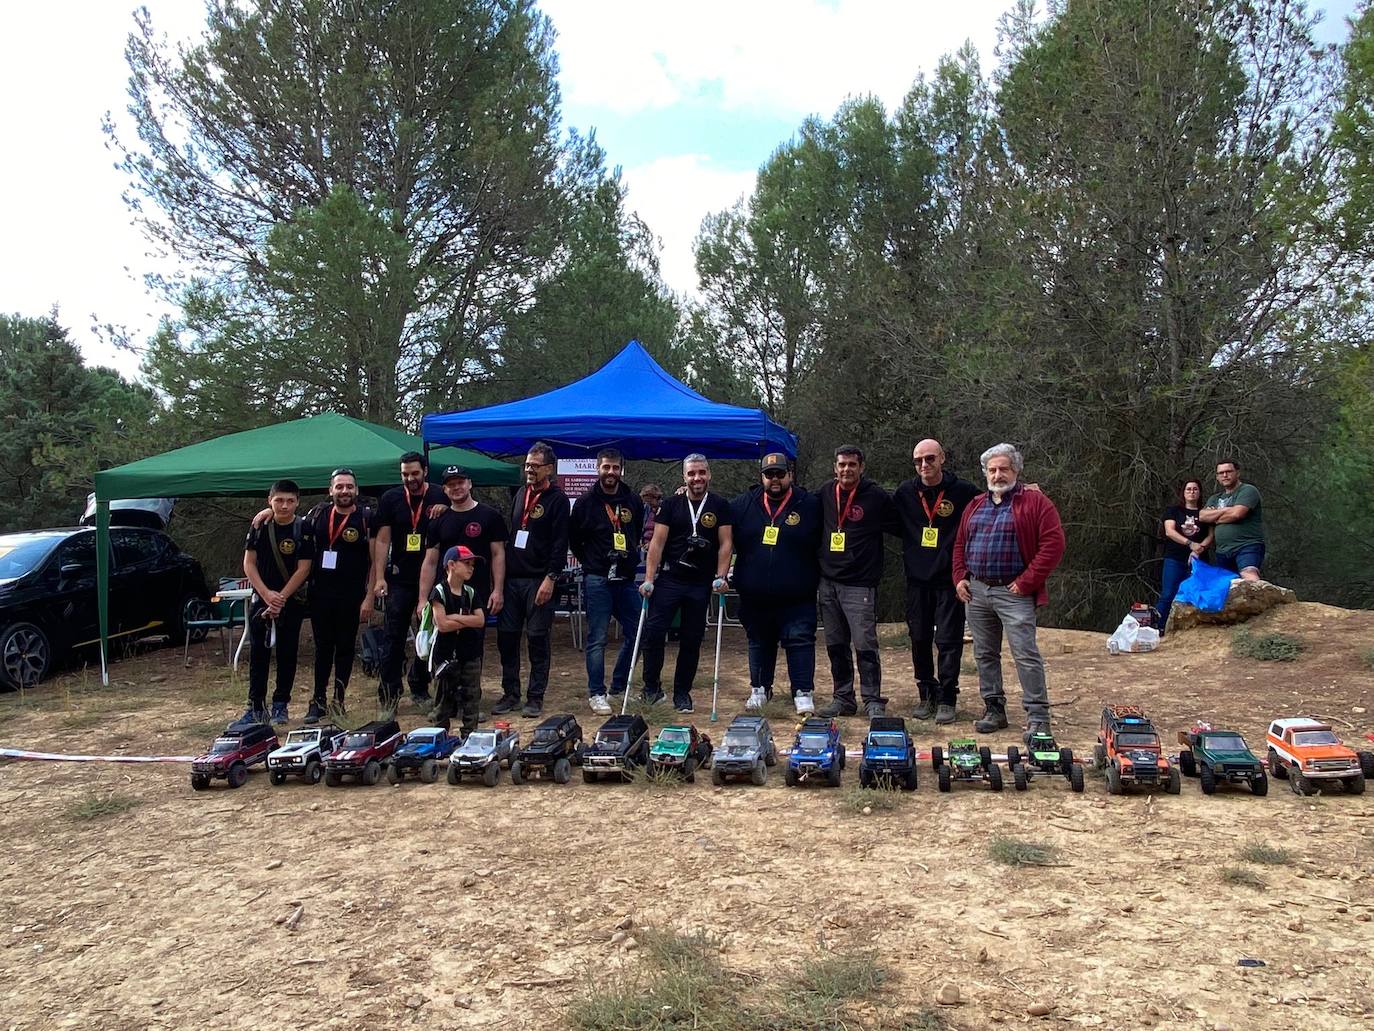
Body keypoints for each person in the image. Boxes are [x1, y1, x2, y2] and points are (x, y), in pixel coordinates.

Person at [952, 444, 1065, 738]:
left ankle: (1038, 715)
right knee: (984, 654)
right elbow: (960, 544)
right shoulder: (975, 504)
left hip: (1013, 593)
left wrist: (1027, 581)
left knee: (1025, 654)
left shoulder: (1037, 503)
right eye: (992, 470)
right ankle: (994, 709)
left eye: (1004, 469)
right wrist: (959, 577)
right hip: (976, 591)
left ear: (1016, 470)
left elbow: (1053, 546)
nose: (998, 475)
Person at [891, 439, 979, 724]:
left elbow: (993, 501)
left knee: (948, 640)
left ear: (942, 458)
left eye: (930, 459)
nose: (924, 466)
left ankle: (947, 698)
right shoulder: (905, 492)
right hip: (917, 580)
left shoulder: (963, 492)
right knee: (919, 639)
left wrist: (1023, 491)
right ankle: (926, 694)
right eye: (918, 461)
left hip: (949, 580)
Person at [640, 453, 734, 713]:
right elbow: (657, 544)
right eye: (692, 473)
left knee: (691, 640)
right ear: (684, 476)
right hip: (670, 579)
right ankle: (651, 688)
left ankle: (682, 693)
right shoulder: (671, 505)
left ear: (709, 474)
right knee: (654, 633)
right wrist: (649, 579)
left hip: (700, 583)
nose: (697, 478)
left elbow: (726, 543)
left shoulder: (719, 505)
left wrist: (721, 576)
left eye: (701, 472)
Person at [729, 453, 822, 714]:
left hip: (797, 594)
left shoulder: (810, 505)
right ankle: (759, 688)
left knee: (800, 639)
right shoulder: (742, 505)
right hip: (755, 594)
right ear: (762, 477)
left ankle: (803, 691)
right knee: (759, 641)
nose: (775, 480)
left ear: (790, 475)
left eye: (780, 474)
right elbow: (720, 530)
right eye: (769, 475)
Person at [417, 465, 508, 706]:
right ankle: (445, 702)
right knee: (444, 647)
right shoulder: (438, 520)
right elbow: (430, 561)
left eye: (460, 482)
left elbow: (498, 554)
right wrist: (422, 598)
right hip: (445, 596)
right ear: (444, 490)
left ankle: (471, 702)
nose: (456, 488)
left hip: (477, 595)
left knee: (472, 649)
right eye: (450, 484)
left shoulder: (489, 516)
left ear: (470, 484)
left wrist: (498, 589)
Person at [817, 445, 893, 718]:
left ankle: (872, 698)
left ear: (861, 467)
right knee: (835, 645)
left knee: (865, 645)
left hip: (860, 583)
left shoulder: (876, 496)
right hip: (828, 583)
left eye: (852, 464)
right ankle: (843, 697)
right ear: (834, 468)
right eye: (842, 465)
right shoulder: (826, 493)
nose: (846, 469)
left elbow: (906, 518)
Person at [494, 442, 569, 718]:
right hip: (513, 579)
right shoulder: (521, 493)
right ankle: (510, 693)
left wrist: (550, 579)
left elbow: (561, 544)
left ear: (549, 469)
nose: (529, 470)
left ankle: (535, 697)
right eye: (527, 465)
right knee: (507, 638)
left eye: (535, 466)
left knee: (537, 638)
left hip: (539, 579)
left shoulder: (557, 500)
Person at [370, 451, 450, 710]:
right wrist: (379, 576)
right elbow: (382, 540)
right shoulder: (390, 498)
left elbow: (461, 510)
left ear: (425, 471)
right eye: (405, 474)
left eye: (415, 473)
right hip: (400, 579)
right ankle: (389, 693)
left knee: (428, 634)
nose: (410, 478)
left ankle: (419, 684)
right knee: (393, 636)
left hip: (435, 577)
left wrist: (447, 507)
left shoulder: (440, 493)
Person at [567, 448, 644, 715]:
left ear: (621, 469)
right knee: (597, 638)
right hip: (598, 578)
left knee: (639, 633)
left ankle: (619, 687)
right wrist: (592, 562)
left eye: (615, 468)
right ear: (598, 469)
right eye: (606, 467)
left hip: (625, 579)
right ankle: (596, 693)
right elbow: (574, 539)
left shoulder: (632, 499)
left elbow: (637, 530)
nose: (610, 472)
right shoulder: (586, 502)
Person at [239, 479, 314, 725]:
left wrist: (280, 597)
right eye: (279, 500)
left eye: (290, 501)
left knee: (287, 653)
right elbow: (249, 564)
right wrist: (266, 594)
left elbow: (304, 568)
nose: (284, 506)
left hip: (289, 600)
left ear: (297, 502)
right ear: (269, 501)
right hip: (262, 597)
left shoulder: (303, 528)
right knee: (259, 653)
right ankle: (256, 706)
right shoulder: (260, 526)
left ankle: (281, 704)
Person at [301, 468, 374, 722]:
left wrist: (369, 597)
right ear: (330, 490)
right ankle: (317, 700)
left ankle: (338, 701)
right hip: (320, 594)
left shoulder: (366, 518)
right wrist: (268, 512)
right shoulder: (317, 514)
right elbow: (289, 524)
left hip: (352, 596)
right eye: (339, 486)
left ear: (357, 490)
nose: (344, 491)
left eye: (349, 487)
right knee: (323, 648)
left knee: (345, 648)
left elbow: (376, 560)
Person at [428, 546, 487, 735]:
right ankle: (440, 736)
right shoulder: (439, 592)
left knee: (472, 696)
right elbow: (442, 625)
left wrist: (455, 617)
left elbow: (480, 620)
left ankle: (470, 735)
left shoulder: (471, 592)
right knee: (443, 698)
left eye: (473, 565)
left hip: (470, 652)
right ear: (451, 565)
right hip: (445, 654)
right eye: (466, 563)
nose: (471, 568)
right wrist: (465, 620)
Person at [1156, 478, 1211, 629]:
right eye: (1189, 489)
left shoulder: (1205, 513)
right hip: (1175, 557)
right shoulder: (1174, 511)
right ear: (1183, 492)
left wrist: (1199, 549)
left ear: (1200, 493)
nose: (1192, 492)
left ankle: (1188, 630)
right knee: (1168, 594)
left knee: (1193, 595)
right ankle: (1156, 628)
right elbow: (1170, 531)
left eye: (1195, 489)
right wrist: (1190, 544)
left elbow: (1211, 534)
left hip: (1199, 559)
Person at [1197, 459, 1265, 581]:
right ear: (1217, 477)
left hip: (1246, 545)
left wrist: (1216, 516)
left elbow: (1237, 514)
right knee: (1227, 585)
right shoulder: (1215, 498)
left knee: (1249, 574)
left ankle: (1261, 597)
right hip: (1222, 551)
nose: (1225, 475)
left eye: (1228, 471)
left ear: (1237, 473)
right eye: (1221, 473)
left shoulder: (1248, 490)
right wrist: (1226, 511)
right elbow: (1202, 516)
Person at [639, 483, 664, 550]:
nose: (648, 504)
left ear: (656, 497)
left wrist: (651, 543)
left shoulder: (665, 509)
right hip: (644, 547)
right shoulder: (646, 509)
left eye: (650, 501)